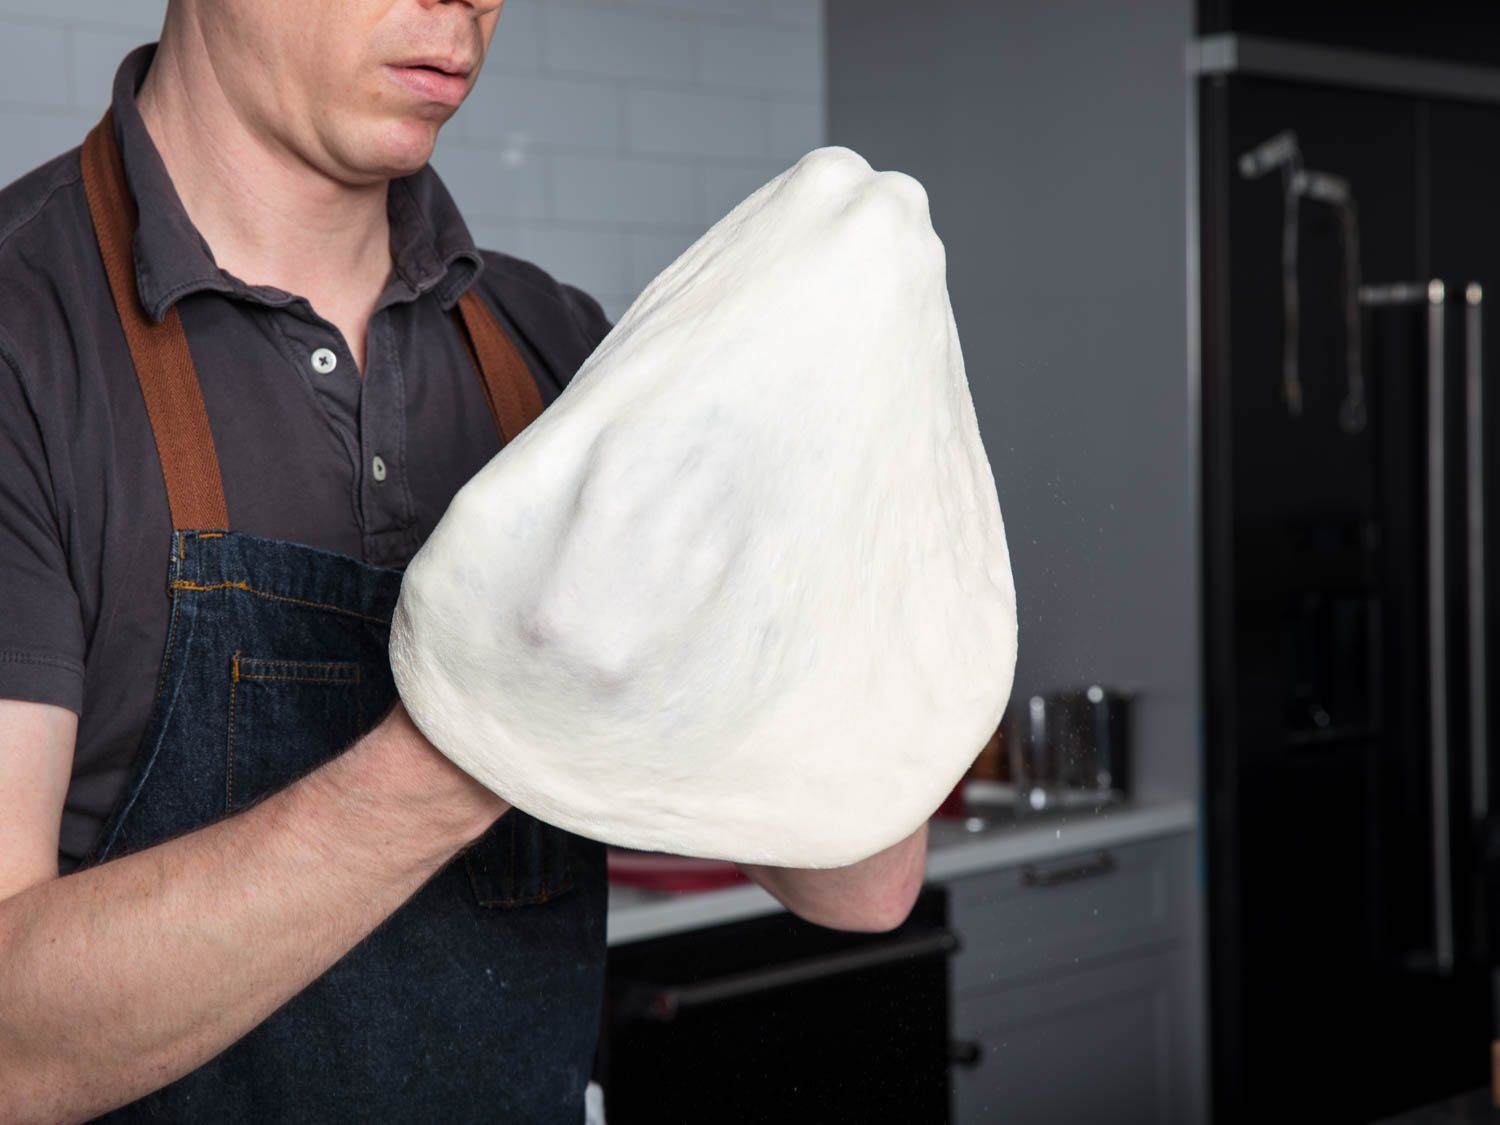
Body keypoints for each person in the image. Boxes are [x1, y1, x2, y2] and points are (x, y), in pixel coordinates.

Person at [0, 0, 928, 1119]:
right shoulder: (25, 343)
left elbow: (861, 885)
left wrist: (848, 426)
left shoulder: (562, 356)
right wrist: (485, 725)